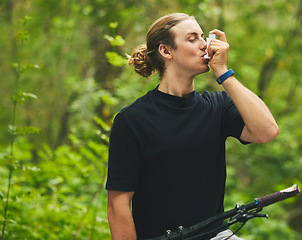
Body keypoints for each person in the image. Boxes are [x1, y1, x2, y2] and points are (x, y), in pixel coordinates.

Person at [106, 13, 279, 240]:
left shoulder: (218, 106)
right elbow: (117, 205)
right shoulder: (132, 120)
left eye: (202, 37)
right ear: (166, 51)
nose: (205, 45)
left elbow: (267, 131)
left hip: (216, 236)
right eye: (192, 38)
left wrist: (223, 72)